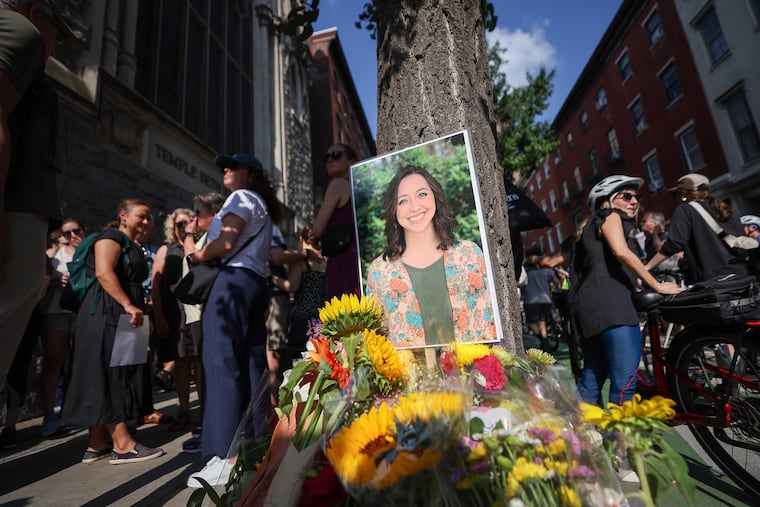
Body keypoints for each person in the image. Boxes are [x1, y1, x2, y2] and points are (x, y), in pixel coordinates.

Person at [182, 153, 277, 488]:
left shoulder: (240, 197)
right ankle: (257, 444)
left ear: (249, 173)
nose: (225, 170)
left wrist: (195, 254)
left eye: (233, 166)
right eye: (224, 166)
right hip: (253, 284)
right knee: (251, 366)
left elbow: (226, 242)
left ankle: (226, 457)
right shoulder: (263, 206)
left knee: (221, 365)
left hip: (232, 283)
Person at [0, 0, 76, 382]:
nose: (55, 44)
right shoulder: (20, 31)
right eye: (55, 32)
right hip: (14, 205)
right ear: (33, 13)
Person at [61, 199, 165, 465]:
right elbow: (104, 272)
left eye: (149, 217)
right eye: (141, 216)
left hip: (122, 314)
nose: (146, 221)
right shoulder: (111, 236)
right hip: (106, 313)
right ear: (123, 215)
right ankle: (122, 444)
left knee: (118, 373)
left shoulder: (132, 244)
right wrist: (129, 304)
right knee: (107, 375)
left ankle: (96, 443)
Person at [570, 175, 681, 407]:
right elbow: (621, 252)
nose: (634, 201)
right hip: (614, 309)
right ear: (608, 200)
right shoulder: (609, 215)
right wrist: (656, 284)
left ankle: (574, 438)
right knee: (625, 387)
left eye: (636, 197)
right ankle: (621, 442)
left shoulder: (589, 228)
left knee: (592, 378)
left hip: (588, 311)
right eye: (626, 196)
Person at [366, 166, 497, 348]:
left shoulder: (469, 255)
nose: (414, 207)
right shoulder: (379, 272)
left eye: (422, 194)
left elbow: (493, 325)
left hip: (474, 373)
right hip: (412, 376)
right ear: (393, 210)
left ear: (435, 196)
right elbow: (376, 342)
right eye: (403, 201)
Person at [178, 192, 224, 455]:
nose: (194, 219)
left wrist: (187, 235)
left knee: (208, 374)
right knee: (205, 372)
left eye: (198, 213)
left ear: (213, 214)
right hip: (197, 313)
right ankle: (210, 426)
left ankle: (211, 432)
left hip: (204, 311)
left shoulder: (215, 235)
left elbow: (193, 258)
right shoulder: (211, 234)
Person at [645, 174, 751, 283]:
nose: (675, 198)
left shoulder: (685, 210)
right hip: (743, 276)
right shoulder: (727, 209)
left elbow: (674, 244)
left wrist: (646, 268)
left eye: (675, 194)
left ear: (684, 194)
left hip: (715, 282)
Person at [38, 218, 86, 436]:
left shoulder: (88, 252)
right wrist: (57, 281)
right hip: (56, 312)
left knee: (79, 364)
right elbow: (40, 282)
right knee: (54, 363)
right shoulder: (53, 255)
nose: (72, 236)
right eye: (67, 233)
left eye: (76, 231)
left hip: (81, 313)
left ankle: (74, 412)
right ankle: (49, 416)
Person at [151, 208, 194, 432]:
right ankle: (184, 410)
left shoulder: (200, 246)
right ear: (172, 226)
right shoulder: (165, 250)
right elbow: (155, 285)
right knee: (181, 363)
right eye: (179, 224)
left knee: (200, 362)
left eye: (188, 223)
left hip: (196, 312)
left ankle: (206, 411)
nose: (184, 227)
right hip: (174, 313)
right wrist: (158, 316)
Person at [311, 143, 360, 299]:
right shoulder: (358, 188)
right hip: (357, 258)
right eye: (326, 157)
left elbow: (317, 230)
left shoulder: (337, 184)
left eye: (336, 155)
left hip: (342, 258)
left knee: (343, 314)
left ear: (351, 161)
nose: (330, 160)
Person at [270, 226, 327, 359]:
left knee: (297, 361)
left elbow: (291, 287)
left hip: (302, 319)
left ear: (302, 239)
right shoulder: (327, 262)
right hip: (322, 319)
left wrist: (270, 277)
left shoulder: (301, 261)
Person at [521, 248, 558, 351]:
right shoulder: (546, 271)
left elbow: (522, 288)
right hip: (545, 299)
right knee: (542, 322)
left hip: (530, 301)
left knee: (531, 323)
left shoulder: (526, 274)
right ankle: (545, 341)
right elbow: (557, 283)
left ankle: (543, 340)